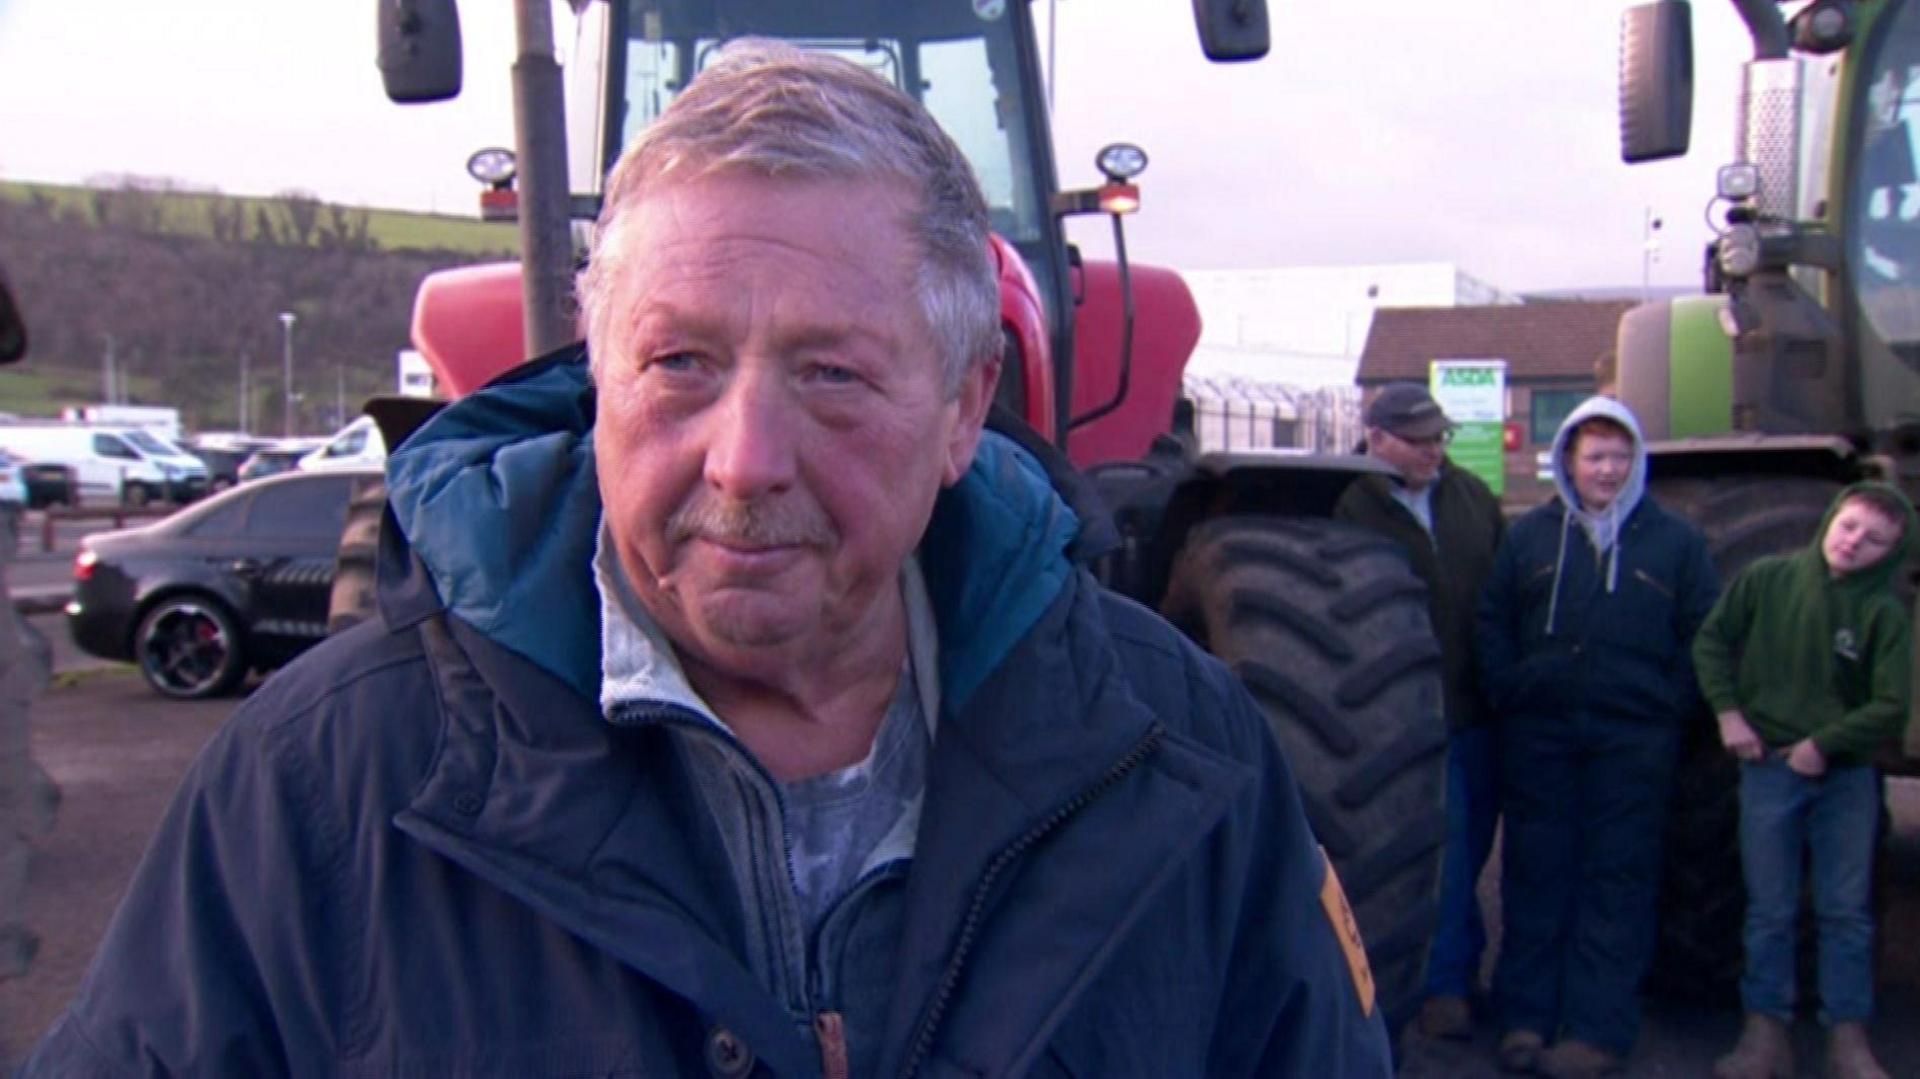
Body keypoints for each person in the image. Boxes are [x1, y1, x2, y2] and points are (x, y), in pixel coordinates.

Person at [23, 43, 1391, 1077]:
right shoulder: (318, 784)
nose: (744, 459)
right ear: (595, 377)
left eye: (833, 372)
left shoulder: (1184, 763)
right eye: (679, 361)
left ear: (969, 404)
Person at [1476, 397, 1717, 1078]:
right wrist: (1512, 686)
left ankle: (1595, 1028)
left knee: (1616, 879)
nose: (1608, 469)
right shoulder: (1528, 537)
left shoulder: (1675, 542)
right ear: (1568, 462)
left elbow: (1707, 631)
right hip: (1541, 735)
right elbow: (1492, 619)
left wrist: (1670, 702)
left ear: (1636, 461)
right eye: (1595, 456)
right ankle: (1524, 1016)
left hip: (1633, 741)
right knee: (1536, 872)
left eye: (1621, 456)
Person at [1694, 483, 1915, 1079]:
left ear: (1892, 552)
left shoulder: (1884, 614)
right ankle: (1764, 1035)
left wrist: (1825, 745)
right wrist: (1728, 713)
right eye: (1849, 527)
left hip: (1845, 778)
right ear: (1830, 520)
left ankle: (1848, 1039)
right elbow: (1711, 642)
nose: (1853, 543)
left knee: (1846, 912)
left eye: (1874, 540)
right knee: (1768, 908)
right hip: (1769, 769)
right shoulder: (1766, 580)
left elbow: (1893, 704)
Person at [1333, 382, 1504, 1041]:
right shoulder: (1345, 505)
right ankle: (1443, 987)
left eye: (1440, 437)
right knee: (1447, 851)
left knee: (1478, 845)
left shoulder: (1471, 499)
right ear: (1376, 438)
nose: (1435, 450)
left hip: (1477, 705)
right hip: (1404, 717)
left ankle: (1465, 972)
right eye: (1419, 439)